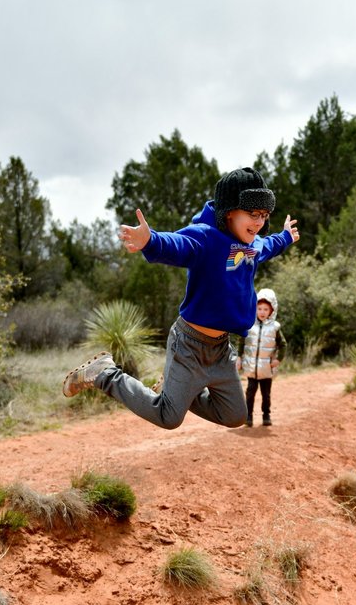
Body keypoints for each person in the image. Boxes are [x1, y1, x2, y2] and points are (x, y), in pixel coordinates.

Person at [63, 167, 299, 430]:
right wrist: (150, 240)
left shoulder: (252, 246)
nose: (259, 222)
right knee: (169, 417)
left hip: (221, 349)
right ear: (230, 211)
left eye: (264, 216)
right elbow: (177, 244)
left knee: (235, 415)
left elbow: (270, 245)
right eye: (253, 214)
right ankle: (105, 374)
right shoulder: (205, 238)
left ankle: (179, 390)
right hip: (189, 345)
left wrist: (286, 236)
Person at [237, 288, 286, 427]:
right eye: (259, 308)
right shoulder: (249, 325)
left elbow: (283, 345)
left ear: (272, 310)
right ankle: (248, 417)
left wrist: (278, 359)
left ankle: (266, 415)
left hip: (267, 369)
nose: (262, 312)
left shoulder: (275, 328)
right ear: (255, 308)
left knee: (266, 395)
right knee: (250, 393)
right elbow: (241, 342)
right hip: (252, 368)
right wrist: (239, 358)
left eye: (266, 309)